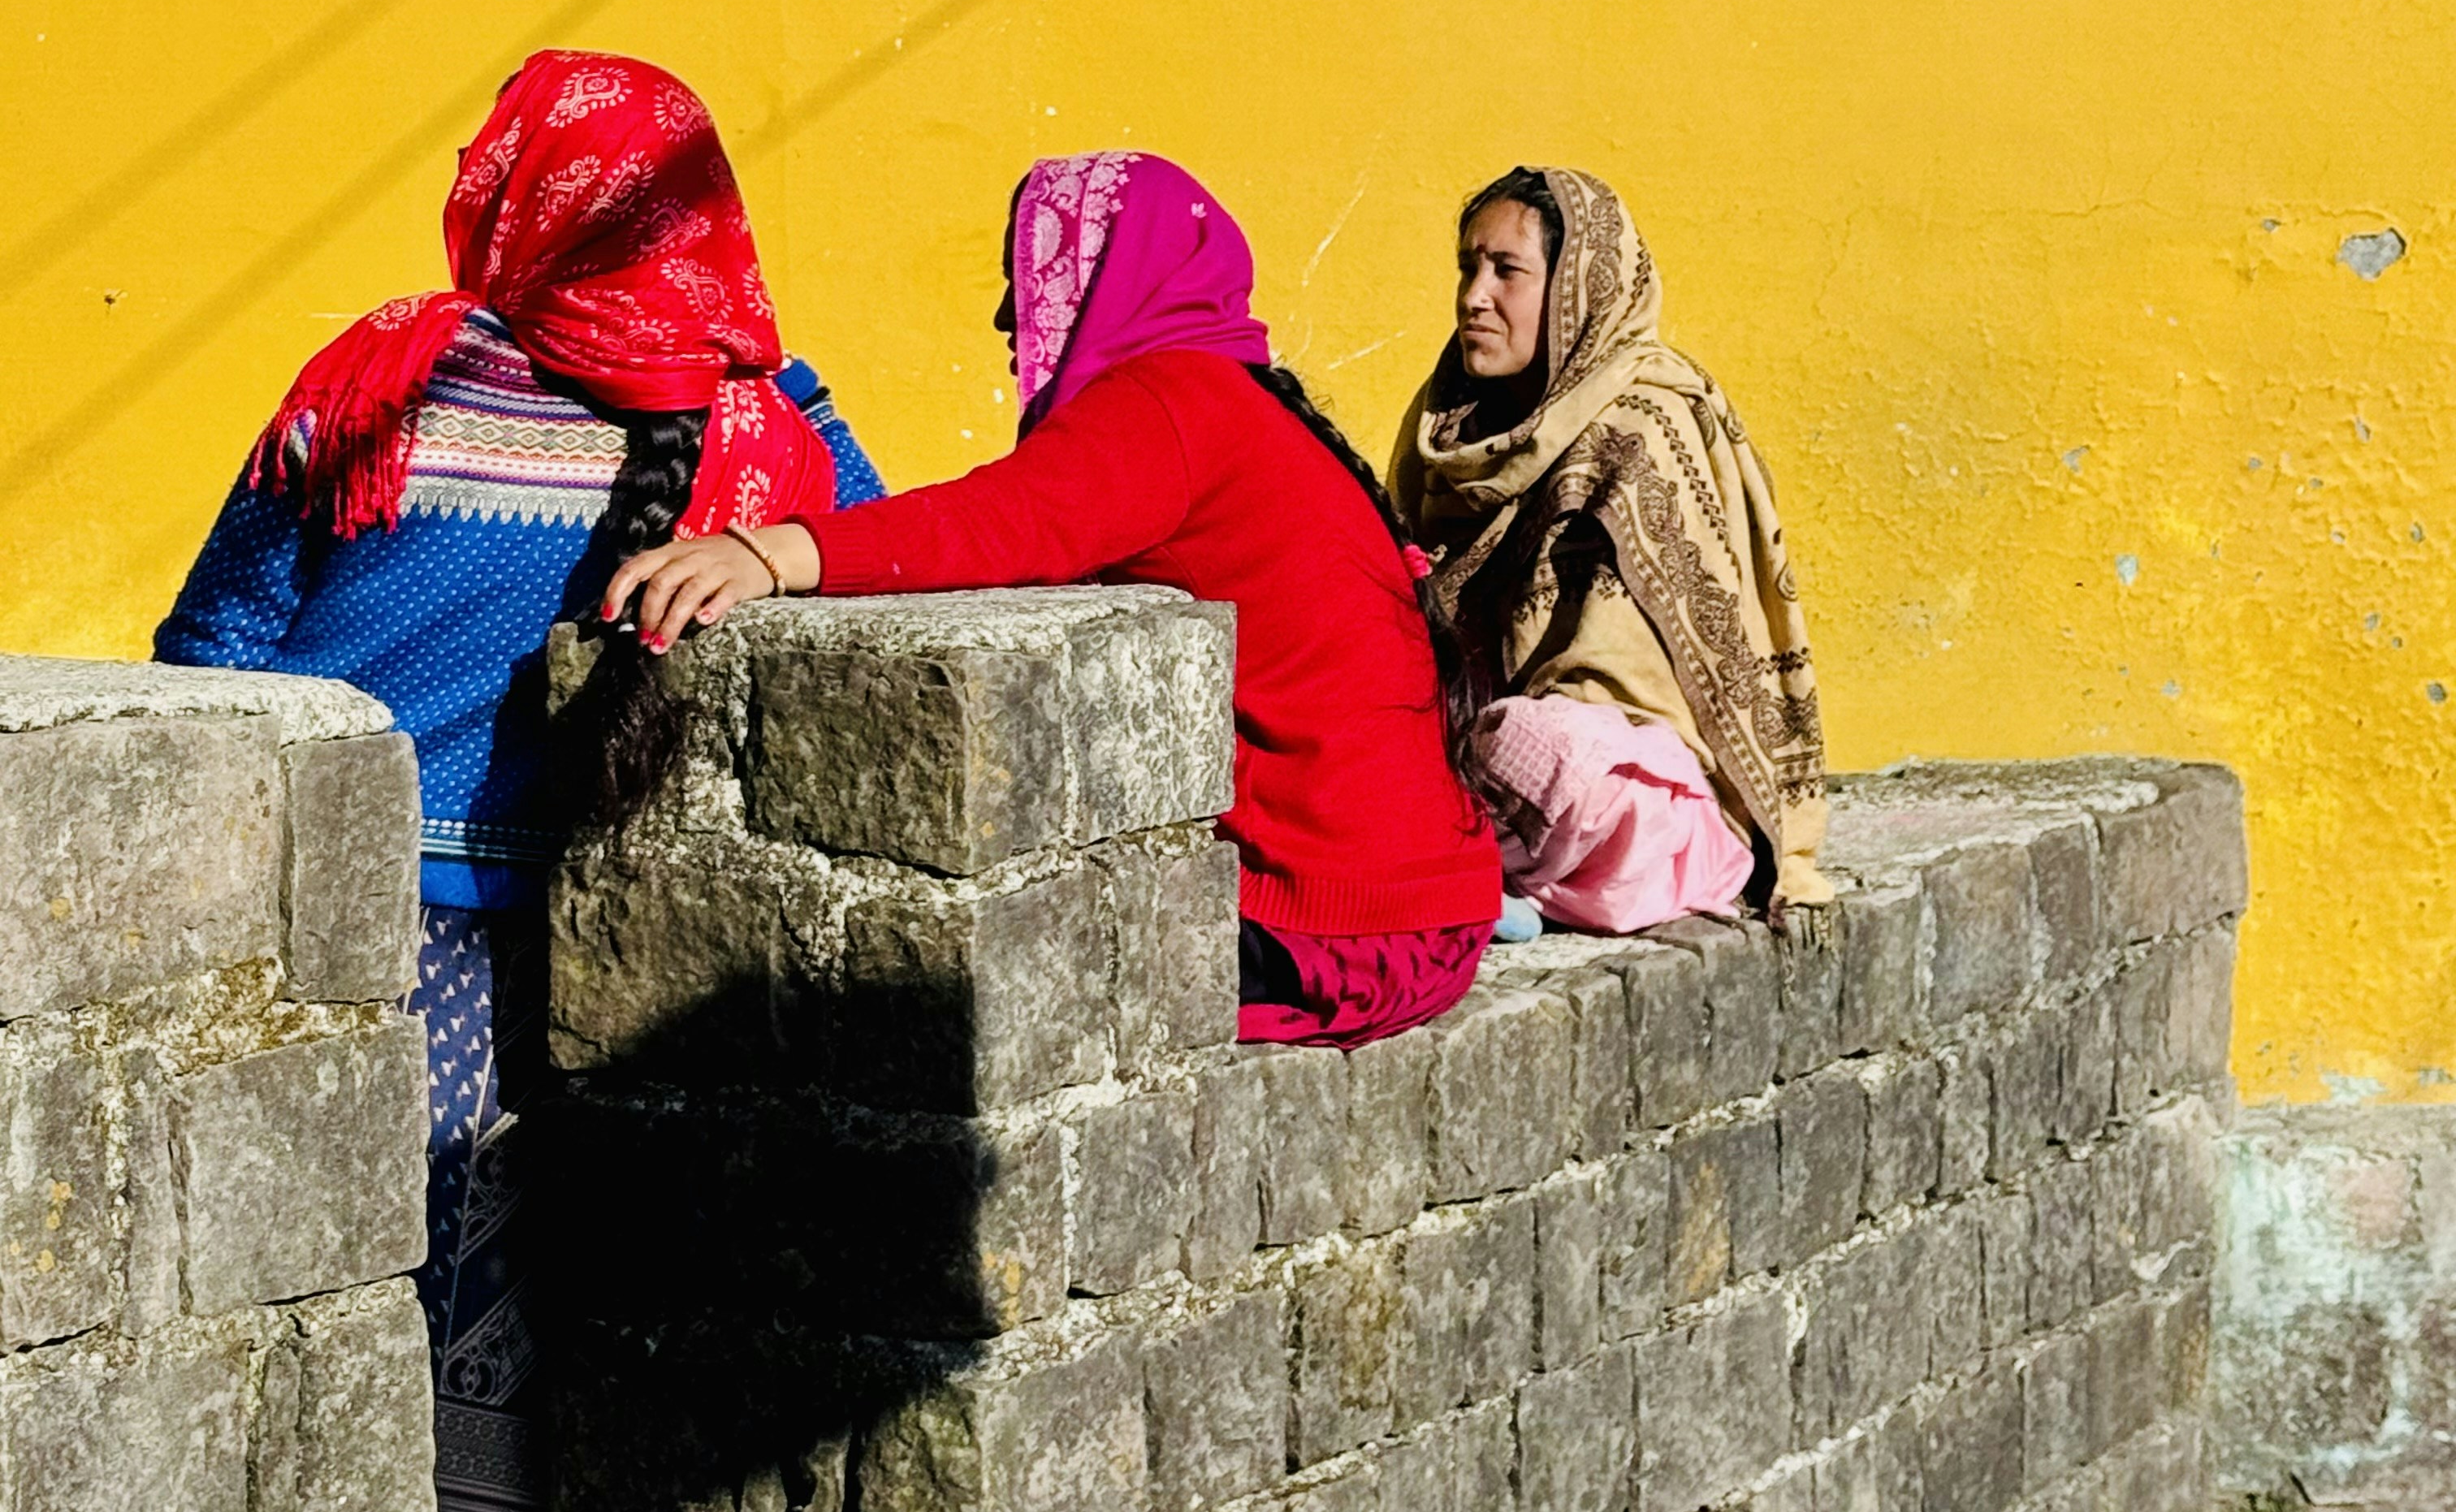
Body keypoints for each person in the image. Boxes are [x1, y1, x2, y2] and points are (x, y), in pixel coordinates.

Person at [156, 48, 883, 1512]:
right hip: (612, 951)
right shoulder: (774, 435)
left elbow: (215, 645)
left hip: (343, 930)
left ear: (516, 197)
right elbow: (885, 577)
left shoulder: (386, 376)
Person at [604, 149, 1500, 1045]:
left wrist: (766, 555)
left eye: (1027, 273)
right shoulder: (1236, 400)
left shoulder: (1171, 400)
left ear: (1111, 275)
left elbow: (995, 524)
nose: (1010, 314)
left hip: (1339, 932)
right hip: (1419, 914)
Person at [1388, 165, 1832, 935]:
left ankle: (1490, 869)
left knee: (1538, 751)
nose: (1474, 297)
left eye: (1507, 271)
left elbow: (1641, 680)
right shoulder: (1450, 424)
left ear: (1575, 290)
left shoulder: (1644, 422)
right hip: (1479, 735)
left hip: (1627, 767)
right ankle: (1484, 868)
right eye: (1467, 268)